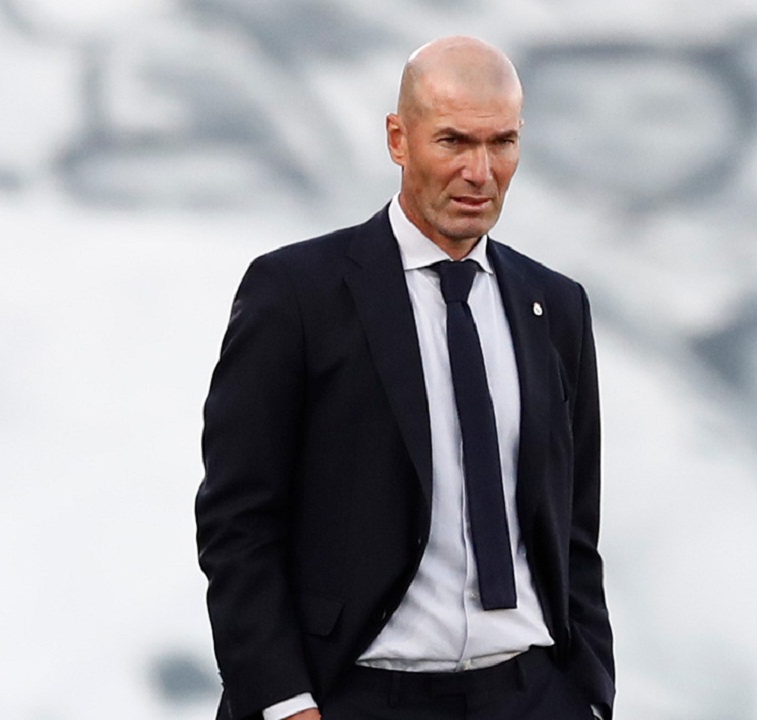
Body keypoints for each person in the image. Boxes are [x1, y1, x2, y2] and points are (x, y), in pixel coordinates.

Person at [194, 35, 614, 720]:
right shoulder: (296, 293)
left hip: (531, 693)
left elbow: (574, 529)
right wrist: (283, 702)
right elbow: (237, 522)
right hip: (357, 694)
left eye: (501, 143)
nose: (480, 172)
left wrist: (590, 693)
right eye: (454, 141)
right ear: (399, 138)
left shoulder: (556, 306)